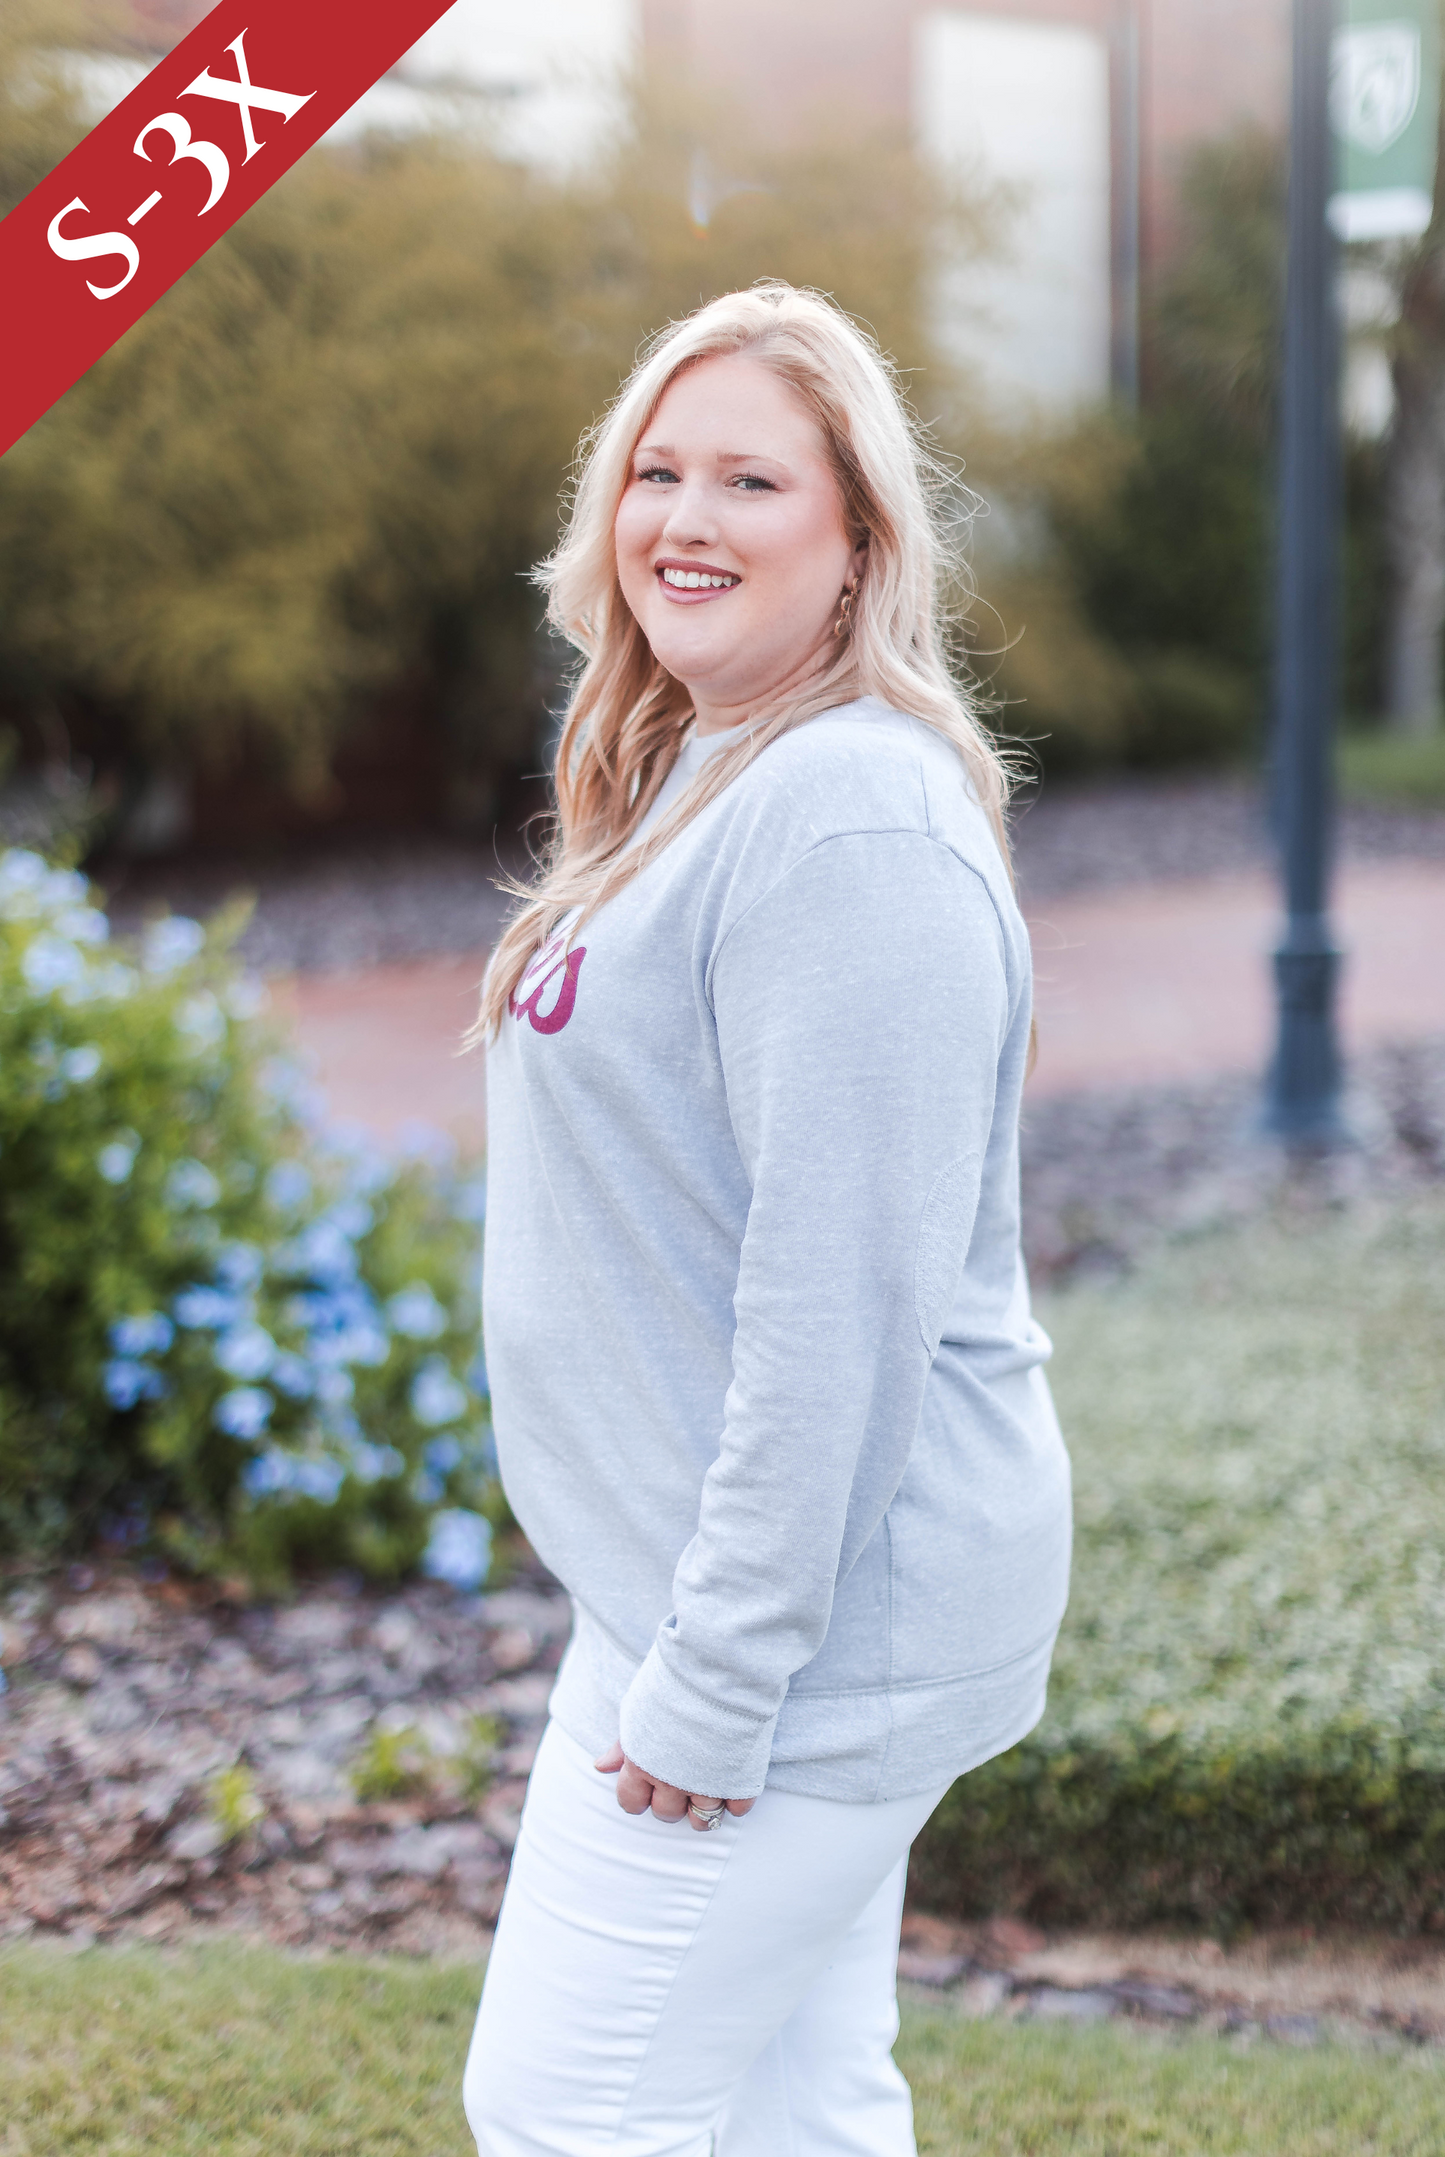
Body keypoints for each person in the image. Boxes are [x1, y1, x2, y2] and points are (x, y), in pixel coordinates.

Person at [463, 282, 1072, 2156]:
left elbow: (840, 1318)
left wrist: (714, 1691)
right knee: (798, 2109)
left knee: (566, 2105)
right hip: (693, 1599)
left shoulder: (852, 829)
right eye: (658, 471)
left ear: (859, 540)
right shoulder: (704, 774)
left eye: (752, 479)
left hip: (788, 1641)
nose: (688, 520)